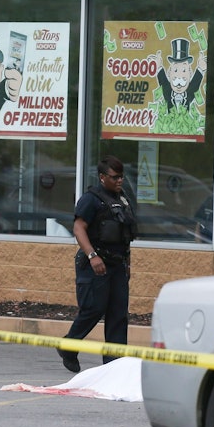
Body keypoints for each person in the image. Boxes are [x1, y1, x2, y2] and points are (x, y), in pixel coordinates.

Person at [58, 155, 137, 373]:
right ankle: (68, 346)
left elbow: (125, 236)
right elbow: (79, 228)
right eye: (115, 177)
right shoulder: (91, 199)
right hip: (95, 264)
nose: (120, 180)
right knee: (93, 309)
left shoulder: (122, 199)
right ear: (102, 177)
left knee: (118, 314)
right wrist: (93, 256)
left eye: (121, 177)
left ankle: (114, 365)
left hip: (117, 265)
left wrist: (127, 264)